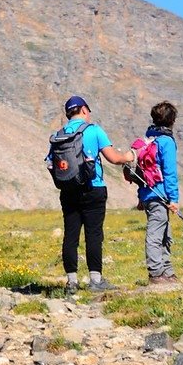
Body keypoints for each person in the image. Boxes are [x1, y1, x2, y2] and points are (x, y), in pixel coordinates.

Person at [47, 95, 136, 293]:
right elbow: (113, 158)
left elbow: (51, 163)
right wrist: (129, 157)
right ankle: (95, 280)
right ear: (85, 110)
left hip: (69, 191)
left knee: (70, 235)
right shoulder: (94, 130)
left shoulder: (58, 135)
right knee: (93, 234)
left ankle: (71, 281)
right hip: (93, 188)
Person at [135, 101, 180, 285]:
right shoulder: (166, 142)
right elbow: (170, 173)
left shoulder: (148, 140)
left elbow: (140, 171)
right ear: (172, 120)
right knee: (156, 235)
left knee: (165, 233)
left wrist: (140, 197)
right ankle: (156, 273)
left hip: (148, 194)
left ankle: (167, 271)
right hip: (160, 195)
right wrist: (174, 198)